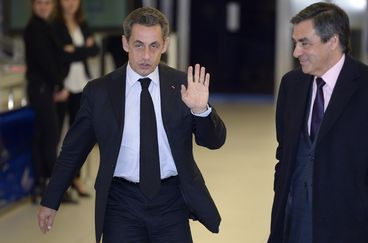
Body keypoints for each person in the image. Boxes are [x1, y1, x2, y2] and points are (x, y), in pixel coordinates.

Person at [37, 6, 226, 243]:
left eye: (154, 46)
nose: (146, 55)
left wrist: (201, 111)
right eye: (138, 45)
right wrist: (50, 200)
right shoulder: (100, 92)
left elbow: (214, 141)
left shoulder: (182, 85)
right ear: (125, 43)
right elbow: (73, 150)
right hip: (121, 205)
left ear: (164, 46)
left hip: (171, 203)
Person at [268, 3, 368, 243]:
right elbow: (285, 151)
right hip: (294, 222)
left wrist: (363, 206)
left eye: (304, 43)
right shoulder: (291, 85)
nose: (296, 52)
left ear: (332, 41)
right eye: (295, 43)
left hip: (353, 227)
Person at [52, 0, 99, 198]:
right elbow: (60, 55)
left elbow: (94, 50)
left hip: (82, 85)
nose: (70, 3)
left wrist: (74, 50)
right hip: (63, 86)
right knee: (56, 136)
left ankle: (76, 178)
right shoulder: (54, 25)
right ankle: (56, 182)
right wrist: (82, 50)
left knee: (78, 137)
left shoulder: (83, 24)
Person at [23, 0, 69, 203]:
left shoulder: (46, 27)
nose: (43, 7)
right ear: (32, 5)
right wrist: (59, 85)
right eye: (39, 3)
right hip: (42, 90)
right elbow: (45, 62)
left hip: (46, 89)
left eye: (47, 3)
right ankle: (52, 190)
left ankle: (45, 186)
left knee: (47, 138)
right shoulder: (34, 29)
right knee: (49, 138)